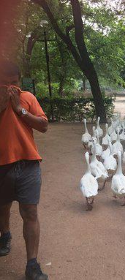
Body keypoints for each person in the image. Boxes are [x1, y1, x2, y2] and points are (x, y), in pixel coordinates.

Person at [0, 60, 49, 280]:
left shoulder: (27, 98)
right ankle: (5, 235)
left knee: (30, 212)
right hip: (1, 166)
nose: (10, 88)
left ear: (19, 81)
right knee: (3, 207)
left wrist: (19, 108)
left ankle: (32, 265)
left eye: (14, 83)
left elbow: (43, 126)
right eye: (4, 83)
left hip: (28, 163)